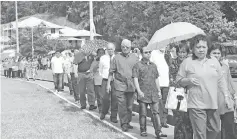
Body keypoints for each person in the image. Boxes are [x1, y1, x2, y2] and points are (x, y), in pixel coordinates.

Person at [176, 34, 232, 139]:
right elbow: (179, 80)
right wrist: (188, 80)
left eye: (204, 47)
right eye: (198, 47)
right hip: (196, 104)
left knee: (215, 130)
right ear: (193, 48)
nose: (201, 50)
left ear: (207, 48)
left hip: (213, 104)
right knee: (200, 134)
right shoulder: (187, 62)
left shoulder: (214, 61)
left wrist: (226, 97)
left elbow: (221, 80)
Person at [133, 47, 167, 138]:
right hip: (143, 93)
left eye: (149, 52)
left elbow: (156, 78)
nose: (148, 54)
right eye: (146, 52)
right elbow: (135, 79)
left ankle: (158, 132)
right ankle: (143, 130)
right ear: (142, 54)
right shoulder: (138, 65)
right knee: (143, 113)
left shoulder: (153, 65)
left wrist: (159, 90)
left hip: (154, 93)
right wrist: (139, 91)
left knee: (156, 113)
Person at [108, 39, 139, 132]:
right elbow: (111, 72)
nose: (125, 48)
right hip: (119, 84)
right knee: (122, 105)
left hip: (131, 85)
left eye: (127, 47)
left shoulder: (135, 57)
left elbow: (138, 72)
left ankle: (128, 122)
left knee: (129, 106)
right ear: (121, 47)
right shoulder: (116, 58)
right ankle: (124, 123)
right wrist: (108, 84)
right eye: (123, 47)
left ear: (130, 47)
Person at [208, 43, 237, 139]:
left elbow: (230, 84)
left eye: (218, 53)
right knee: (214, 132)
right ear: (209, 54)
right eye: (214, 53)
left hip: (226, 104)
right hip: (211, 104)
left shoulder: (225, 66)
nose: (216, 55)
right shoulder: (205, 67)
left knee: (230, 131)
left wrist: (234, 98)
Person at [165, 42, 193, 139]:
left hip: (190, 95)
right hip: (177, 96)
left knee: (189, 122)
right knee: (179, 121)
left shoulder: (192, 64)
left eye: (184, 52)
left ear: (187, 53)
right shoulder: (173, 63)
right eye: (180, 52)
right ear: (177, 52)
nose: (181, 54)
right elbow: (173, 79)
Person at [150, 48, 170, 128]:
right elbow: (150, 66)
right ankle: (156, 121)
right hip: (156, 82)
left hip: (166, 83)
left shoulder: (168, 55)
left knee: (165, 103)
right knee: (156, 103)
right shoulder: (154, 53)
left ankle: (164, 121)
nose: (163, 46)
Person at [99, 43, 118, 123]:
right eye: (108, 49)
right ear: (106, 50)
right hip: (105, 80)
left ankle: (113, 116)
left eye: (111, 49)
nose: (110, 50)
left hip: (114, 81)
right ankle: (103, 112)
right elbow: (100, 69)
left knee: (115, 99)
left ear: (114, 49)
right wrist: (104, 77)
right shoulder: (103, 58)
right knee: (105, 98)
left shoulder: (117, 58)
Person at [89, 48, 105, 113]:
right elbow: (91, 70)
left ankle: (106, 108)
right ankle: (100, 109)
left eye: (102, 53)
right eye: (99, 53)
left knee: (105, 96)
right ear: (97, 54)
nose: (101, 54)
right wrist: (97, 66)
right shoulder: (95, 61)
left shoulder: (107, 60)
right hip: (97, 80)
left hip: (105, 80)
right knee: (99, 96)